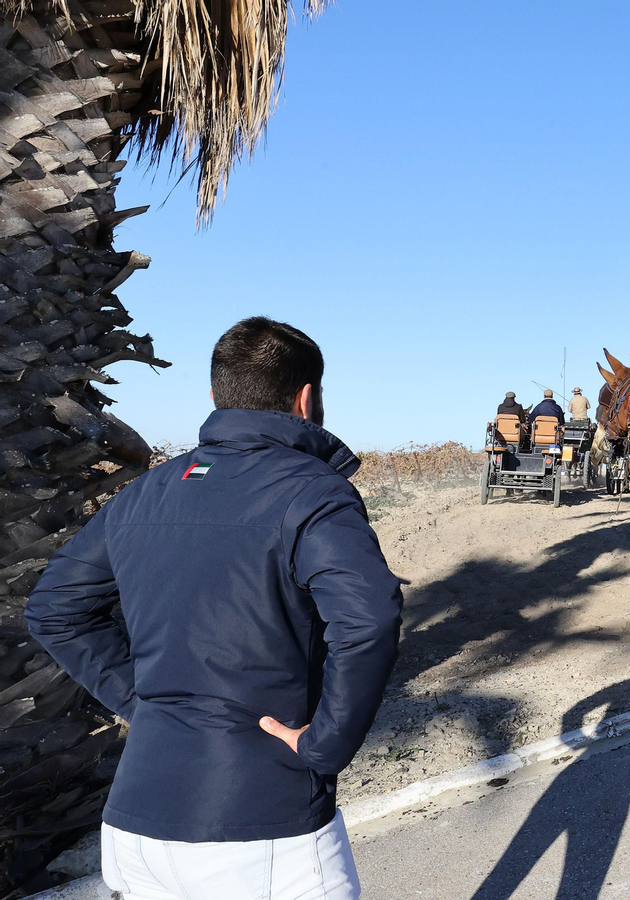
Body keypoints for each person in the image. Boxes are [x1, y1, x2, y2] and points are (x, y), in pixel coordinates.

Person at [26, 317, 402, 899]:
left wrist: (144, 700)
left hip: (136, 826)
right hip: (262, 830)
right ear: (306, 398)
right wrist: (324, 744)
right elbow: (367, 618)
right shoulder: (312, 491)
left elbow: (53, 608)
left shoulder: (145, 494)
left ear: (216, 396)